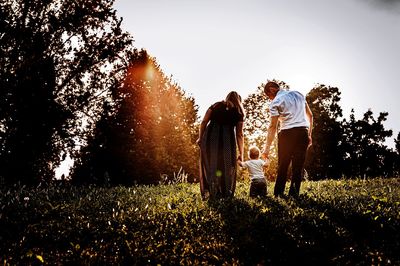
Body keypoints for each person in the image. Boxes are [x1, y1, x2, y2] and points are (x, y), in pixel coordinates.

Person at [262, 81, 313, 197]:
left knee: (283, 165)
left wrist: (266, 149)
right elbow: (310, 116)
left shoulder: (276, 101)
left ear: (271, 90)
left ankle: (279, 194)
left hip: (287, 134)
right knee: (298, 166)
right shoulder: (299, 94)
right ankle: (294, 194)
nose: (269, 99)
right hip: (303, 132)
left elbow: (272, 126)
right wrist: (309, 134)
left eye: (268, 96)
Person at [197, 91, 245, 200]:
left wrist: (200, 137)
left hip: (210, 139)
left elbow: (204, 122)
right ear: (239, 100)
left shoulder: (216, 105)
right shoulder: (238, 112)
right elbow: (239, 134)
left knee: (211, 164)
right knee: (227, 166)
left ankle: (212, 192)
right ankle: (225, 193)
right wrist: (241, 153)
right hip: (227, 143)